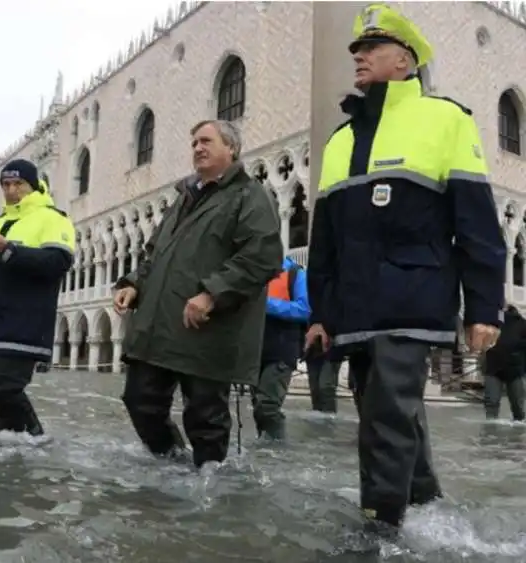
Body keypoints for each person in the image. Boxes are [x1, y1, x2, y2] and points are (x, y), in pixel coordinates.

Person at [306, 4, 506, 530]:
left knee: (386, 412)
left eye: (371, 49)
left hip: (414, 295)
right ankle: (425, 504)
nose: (359, 58)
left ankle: (378, 524)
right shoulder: (339, 140)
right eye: (356, 50)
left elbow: (478, 222)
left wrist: (484, 306)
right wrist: (321, 313)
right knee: (379, 404)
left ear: (404, 60)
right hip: (355, 304)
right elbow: (323, 241)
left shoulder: (445, 119)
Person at [112, 119, 283, 469]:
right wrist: (132, 284)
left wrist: (212, 294)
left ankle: (210, 486)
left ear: (231, 148)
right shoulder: (183, 199)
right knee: (139, 399)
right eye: (193, 143)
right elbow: (154, 254)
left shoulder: (249, 195)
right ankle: (172, 465)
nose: (198, 148)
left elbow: (261, 256)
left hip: (208, 327)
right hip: (158, 327)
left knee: (206, 417)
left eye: (206, 141)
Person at [0, 159, 75, 437]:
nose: (11, 190)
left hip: (26, 322)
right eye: (6, 185)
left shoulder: (53, 218)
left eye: (18, 184)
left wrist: (7, 250)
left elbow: (57, 262)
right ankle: (4, 449)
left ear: (33, 185)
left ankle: (36, 441)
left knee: (4, 387)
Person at [252, 256, 309, 440]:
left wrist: (265, 304)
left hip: (282, 351)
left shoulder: (295, 273)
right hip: (255, 351)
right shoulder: (251, 271)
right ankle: (265, 453)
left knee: (267, 406)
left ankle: (277, 451)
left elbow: (304, 309)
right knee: (259, 408)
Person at [483, 304, 526, 422]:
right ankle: (515, 435)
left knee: (493, 405)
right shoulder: (493, 321)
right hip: (503, 368)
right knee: (516, 408)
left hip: (506, 368)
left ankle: (490, 433)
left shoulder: (521, 323)